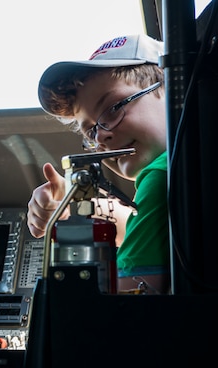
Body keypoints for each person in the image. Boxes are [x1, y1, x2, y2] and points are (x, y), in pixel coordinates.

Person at [27, 34, 170, 294]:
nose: (101, 135)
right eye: (90, 131)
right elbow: (150, 226)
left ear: (170, 89)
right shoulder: (187, 171)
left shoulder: (161, 177)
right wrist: (73, 208)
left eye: (114, 108)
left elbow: (122, 310)